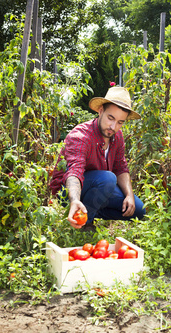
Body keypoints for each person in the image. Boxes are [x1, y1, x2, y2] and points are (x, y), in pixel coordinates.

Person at [49, 87, 146, 230]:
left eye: (120, 122)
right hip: (67, 193)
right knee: (108, 179)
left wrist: (129, 195)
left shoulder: (116, 136)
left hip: (98, 187)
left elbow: (121, 167)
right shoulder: (81, 137)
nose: (113, 127)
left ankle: (89, 211)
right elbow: (74, 172)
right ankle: (83, 221)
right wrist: (74, 200)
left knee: (138, 210)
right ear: (100, 111)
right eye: (110, 118)